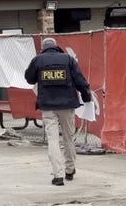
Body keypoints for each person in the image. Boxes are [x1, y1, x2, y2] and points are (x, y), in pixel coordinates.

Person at [25, 37, 91, 186]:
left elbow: (29, 79)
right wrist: (87, 98)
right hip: (67, 105)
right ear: (56, 47)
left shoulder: (38, 60)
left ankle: (57, 175)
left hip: (48, 106)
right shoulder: (68, 59)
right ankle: (70, 169)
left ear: (43, 48)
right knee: (69, 137)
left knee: (53, 140)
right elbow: (80, 80)